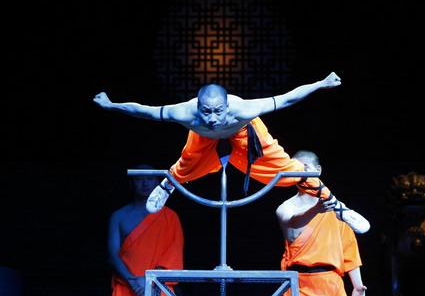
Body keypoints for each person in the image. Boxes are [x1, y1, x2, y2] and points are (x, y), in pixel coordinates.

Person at [94, 72, 367, 233]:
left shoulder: (244, 110)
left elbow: (288, 98)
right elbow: (145, 110)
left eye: (218, 111)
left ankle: (339, 208)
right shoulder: (185, 113)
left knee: (289, 168)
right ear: (198, 106)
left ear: (227, 106)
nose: (213, 118)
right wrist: (112, 105)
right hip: (201, 138)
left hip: (245, 133)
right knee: (187, 161)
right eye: (206, 111)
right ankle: (167, 185)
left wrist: (320, 84)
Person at [276, 150, 367, 296]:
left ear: (318, 170)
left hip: (332, 286)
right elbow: (292, 226)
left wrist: (358, 286)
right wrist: (315, 211)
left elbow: (349, 249)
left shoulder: (336, 209)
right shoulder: (286, 207)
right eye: (295, 168)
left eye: (304, 168)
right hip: (299, 285)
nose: (300, 172)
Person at [107, 164, 184, 296]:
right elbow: (113, 256)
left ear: (157, 182)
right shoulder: (118, 216)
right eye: (139, 179)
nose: (145, 183)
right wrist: (133, 282)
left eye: (149, 178)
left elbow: (173, 254)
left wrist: (149, 280)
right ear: (131, 183)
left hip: (159, 287)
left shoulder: (170, 216)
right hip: (127, 287)